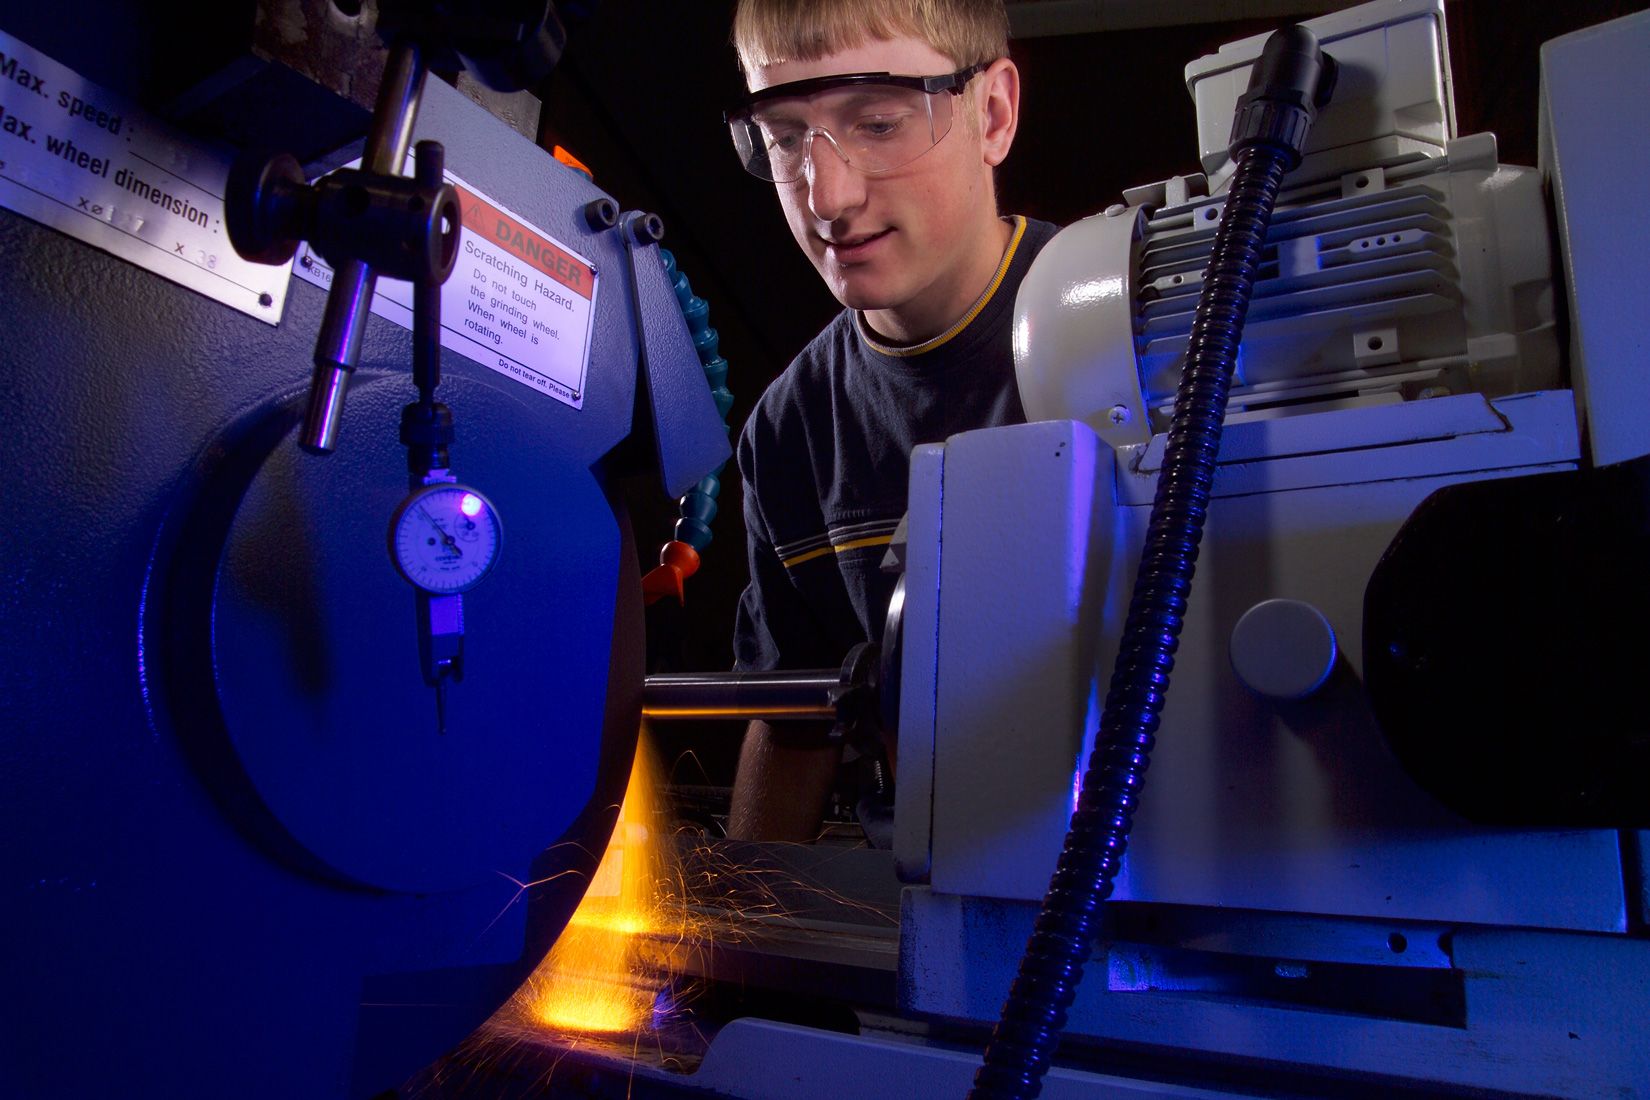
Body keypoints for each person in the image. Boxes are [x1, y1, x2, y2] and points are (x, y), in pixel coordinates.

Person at [725, 0, 1059, 841]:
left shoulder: (1146, 334)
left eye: (876, 122)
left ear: (993, 114)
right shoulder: (787, 429)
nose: (827, 196)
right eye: (787, 136)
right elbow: (792, 717)